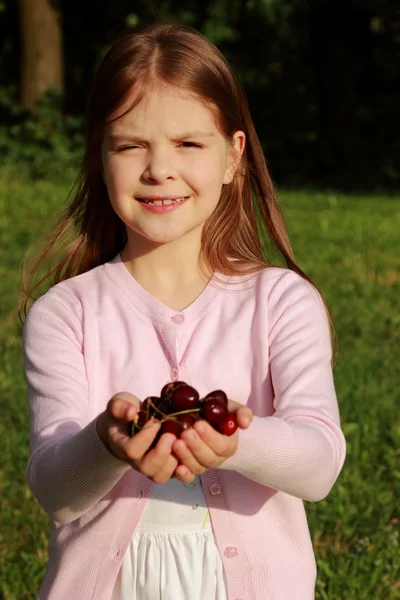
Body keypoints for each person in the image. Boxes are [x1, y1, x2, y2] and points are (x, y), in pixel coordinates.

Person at [21, 22, 346, 600]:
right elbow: (55, 489)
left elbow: (319, 463)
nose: (158, 169)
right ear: (100, 156)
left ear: (233, 157)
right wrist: (106, 442)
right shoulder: (65, 313)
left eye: (188, 144)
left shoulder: (281, 301)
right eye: (130, 145)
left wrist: (234, 441)